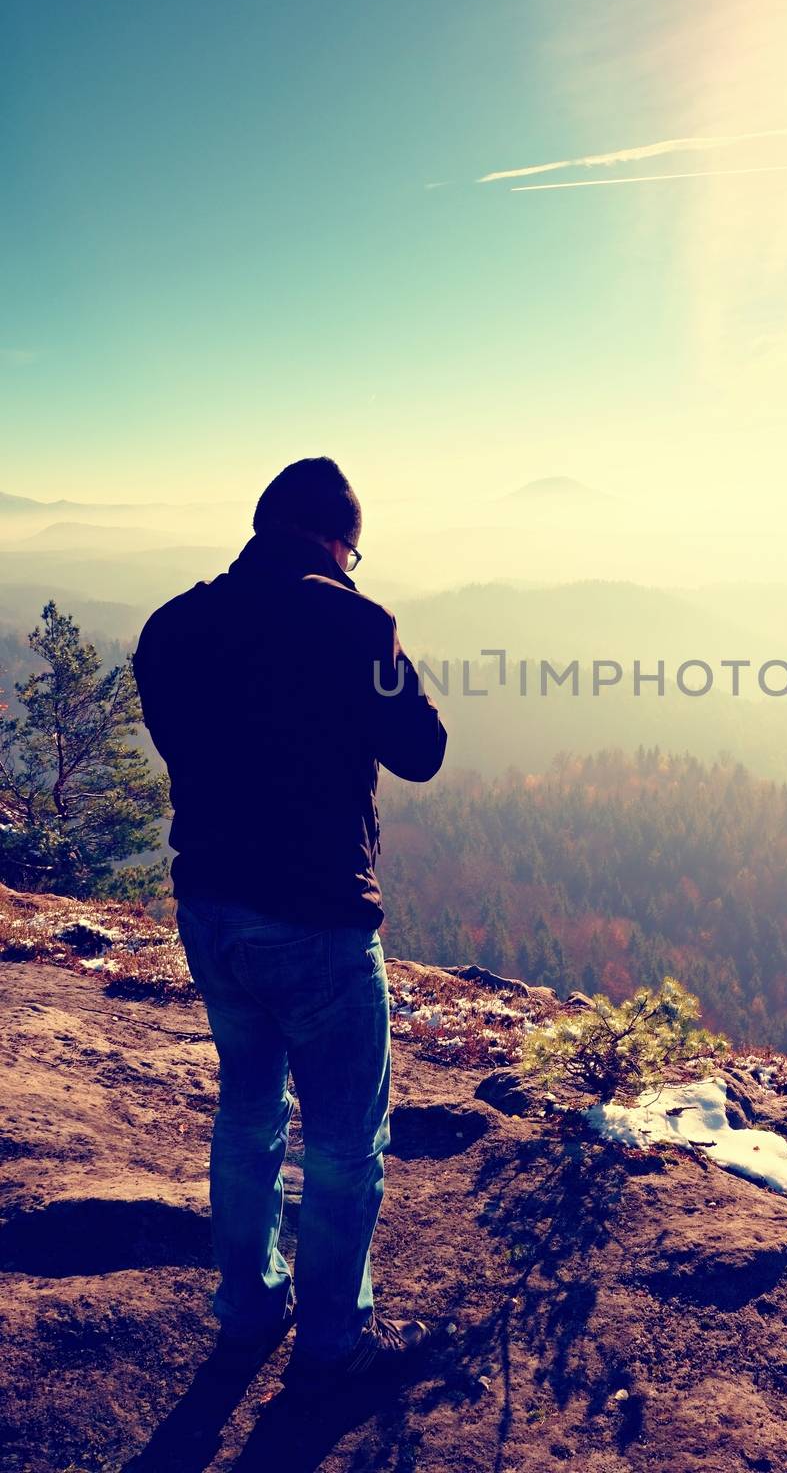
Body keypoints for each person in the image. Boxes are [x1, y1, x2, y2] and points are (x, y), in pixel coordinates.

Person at [133, 457, 447, 1386]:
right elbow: (422, 749)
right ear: (337, 539)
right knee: (346, 1141)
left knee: (248, 1111)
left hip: (211, 909)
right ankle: (332, 1343)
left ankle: (247, 1308)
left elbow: (179, 744)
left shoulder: (171, 624)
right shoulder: (356, 622)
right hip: (318, 917)